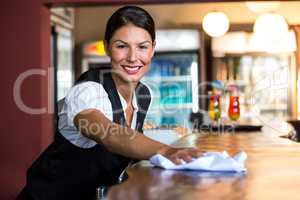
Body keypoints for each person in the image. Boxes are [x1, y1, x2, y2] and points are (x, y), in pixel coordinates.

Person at [17, 5, 202, 200]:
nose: (132, 57)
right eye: (121, 46)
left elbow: (129, 136)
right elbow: (110, 136)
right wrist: (167, 151)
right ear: (107, 47)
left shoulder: (143, 94)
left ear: (153, 49)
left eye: (142, 46)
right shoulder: (88, 90)